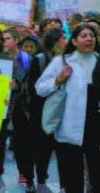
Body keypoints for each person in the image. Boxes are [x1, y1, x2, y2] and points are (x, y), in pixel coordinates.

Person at [35, 23, 99, 193]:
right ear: (75, 41)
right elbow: (40, 88)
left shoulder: (98, 60)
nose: (89, 39)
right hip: (70, 126)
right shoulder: (62, 61)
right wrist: (58, 80)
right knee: (72, 177)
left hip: (95, 125)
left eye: (91, 35)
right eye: (84, 35)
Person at [23, 28, 66, 193]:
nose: (66, 41)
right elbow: (34, 88)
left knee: (60, 149)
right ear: (55, 42)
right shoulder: (40, 60)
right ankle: (35, 180)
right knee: (40, 149)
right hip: (41, 112)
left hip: (61, 111)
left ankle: (60, 183)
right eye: (63, 38)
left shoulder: (68, 59)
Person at [1, 27, 33, 190]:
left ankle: (27, 175)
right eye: (3, 39)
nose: (4, 42)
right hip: (3, 106)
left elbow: (33, 82)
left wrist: (18, 85)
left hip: (21, 107)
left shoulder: (27, 60)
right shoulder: (0, 58)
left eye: (7, 38)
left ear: (16, 40)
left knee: (22, 143)